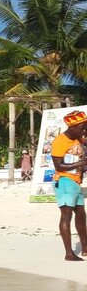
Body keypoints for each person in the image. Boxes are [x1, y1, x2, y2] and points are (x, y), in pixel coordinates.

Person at [51, 110, 87, 261]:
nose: (84, 130)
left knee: (81, 215)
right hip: (64, 180)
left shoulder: (79, 140)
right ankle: (69, 253)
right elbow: (58, 166)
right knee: (66, 215)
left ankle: (85, 248)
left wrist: (83, 166)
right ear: (72, 127)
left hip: (76, 181)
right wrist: (78, 163)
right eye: (82, 128)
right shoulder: (60, 141)